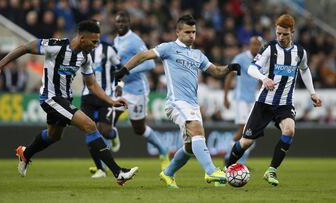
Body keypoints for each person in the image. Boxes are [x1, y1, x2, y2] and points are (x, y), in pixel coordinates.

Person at [0, 20, 138, 186]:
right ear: (82, 37)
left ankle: (26, 153)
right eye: (94, 41)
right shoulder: (57, 46)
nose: (95, 45)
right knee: (90, 125)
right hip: (51, 98)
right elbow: (25, 47)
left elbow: (92, 84)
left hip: (65, 99)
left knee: (54, 135)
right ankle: (118, 172)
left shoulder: (85, 57)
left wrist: (111, 101)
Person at [114, 14, 241, 189]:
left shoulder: (198, 54)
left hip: (192, 104)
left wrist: (230, 68)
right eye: (187, 31)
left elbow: (216, 71)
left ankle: (167, 174)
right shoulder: (169, 48)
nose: (191, 35)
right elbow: (144, 55)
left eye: (194, 32)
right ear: (178, 31)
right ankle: (211, 171)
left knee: (189, 147)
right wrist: (124, 70)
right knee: (197, 130)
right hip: (176, 102)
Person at [225, 14, 322, 186]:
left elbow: (304, 70)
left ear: (292, 32)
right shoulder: (270, 48)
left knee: (290, 130)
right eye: (278, 33)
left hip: (284, 104)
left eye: (285, 34)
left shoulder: (300, 52)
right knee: (246, 142)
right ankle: (226, 168)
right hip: (264, 103)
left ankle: (271, 170)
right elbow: (251, 69)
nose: (281, 37)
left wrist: (312, 93)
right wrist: (264, 78)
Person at [113, 11, 170, 170]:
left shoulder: (134, 40)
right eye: (118, 21)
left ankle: (163, 150)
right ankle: (104, 162)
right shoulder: (116, 40)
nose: (121, 24)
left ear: (129, 23)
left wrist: (128, 71)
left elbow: (150, 64)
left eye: (124, 21)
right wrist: (118, 82)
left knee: (139, 128)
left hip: (137, 90)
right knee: (110, 118)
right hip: (122, 89)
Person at [81, 36, 124, 179]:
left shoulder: (109, 50)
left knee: (104, 131)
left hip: (105, 96)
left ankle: (113, 134)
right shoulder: (81, 51)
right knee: (89, 130)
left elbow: (120, 69)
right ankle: (100, 169)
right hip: (87, 96)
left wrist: (119, 85)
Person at [223, 36, 263, 165]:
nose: (256, 47)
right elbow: (229, 77)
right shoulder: (240, 59)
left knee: (251, 133)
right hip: (241, 99)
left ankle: (240, 162)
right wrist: (226, 97)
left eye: (258, 45)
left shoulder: (261, 60)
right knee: (243, 130)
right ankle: (229, 157)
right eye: (254, 44)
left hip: (253, 100)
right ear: (249, 45)